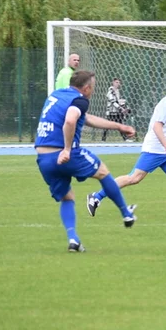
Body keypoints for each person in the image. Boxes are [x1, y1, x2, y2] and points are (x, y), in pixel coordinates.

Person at [35, 70, 137, 252]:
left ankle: (73, 239)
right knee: (103, 172)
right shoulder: (80, 100)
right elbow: (70, 120)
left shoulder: (57, 95)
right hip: (66, 154)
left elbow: (86, 118)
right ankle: (126, 214)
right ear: (87, 87)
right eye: (93, 86)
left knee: (67, 197)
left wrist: (119, 126)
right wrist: (67, 149)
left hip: (44, 159)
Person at [87, 73, 166, 219]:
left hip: (164, 151)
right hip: (155, 150)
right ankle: (96, 196)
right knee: (133, 178)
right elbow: (157, 127)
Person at [102, 77, 134, 141]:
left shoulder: (117, 91)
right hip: (111, 112)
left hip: (117, 112)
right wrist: (121, 108)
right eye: (116, 82)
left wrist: (124, 106)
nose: (118, 84)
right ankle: (103, 139)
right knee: (107, 126)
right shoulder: (110, 91)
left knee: (120, 125)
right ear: (113, 82)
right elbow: (113, 101)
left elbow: (118, 101)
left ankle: (125, 139)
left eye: (119, 83)